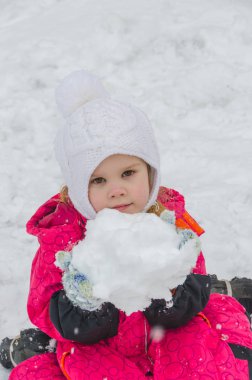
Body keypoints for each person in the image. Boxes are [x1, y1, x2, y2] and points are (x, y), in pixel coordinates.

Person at [4, 70, 252, 379]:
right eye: (98, 180)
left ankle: (223, 291)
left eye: (127, 173)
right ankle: (38, 348)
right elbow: (44, 305)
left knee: (208, 353)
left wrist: (172, 287)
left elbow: (192, 279)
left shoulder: (166, 221)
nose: (116, 190)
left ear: (150, 172)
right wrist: (85, 304)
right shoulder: (64, 240)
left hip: (166, 338)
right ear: (78, 188)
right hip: (102, 347)